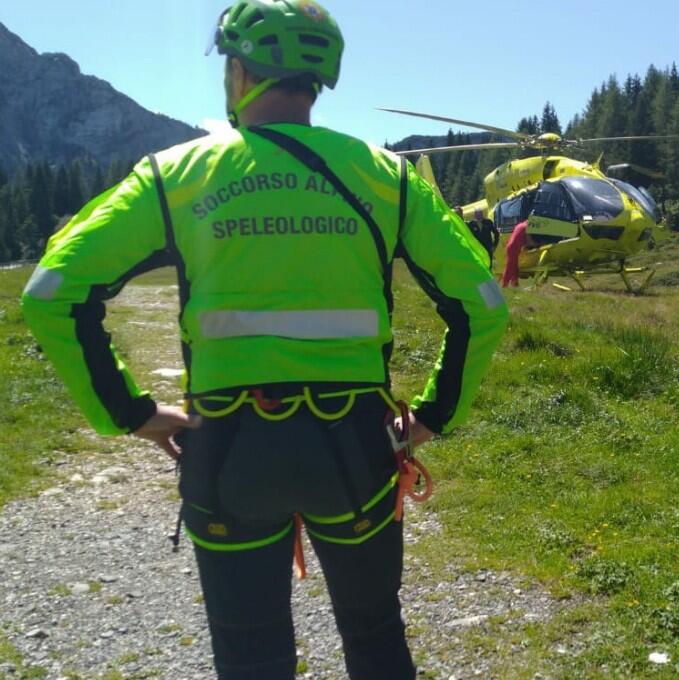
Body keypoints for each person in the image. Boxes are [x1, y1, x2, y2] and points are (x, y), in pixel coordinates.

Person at [19, 1, 509, 678]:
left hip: (227, 450)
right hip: (357, 451)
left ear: (240, 72)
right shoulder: (386, 177)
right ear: (316, 81)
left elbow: (50, 291)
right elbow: (482, 303)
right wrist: (431, 416)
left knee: (250, 652)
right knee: (373, 636)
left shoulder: (177, 175)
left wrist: (128, 412)